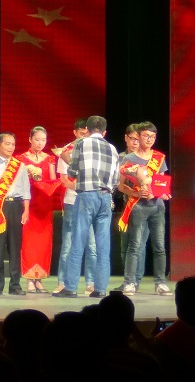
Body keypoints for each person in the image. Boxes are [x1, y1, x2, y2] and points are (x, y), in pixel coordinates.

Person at [55, 115, 119, 298]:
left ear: (88, 130)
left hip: (86, 196)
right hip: (106, 197)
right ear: (104, 131)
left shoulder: (81, 144)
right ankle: (100, 289)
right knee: (103, 245)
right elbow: (116, 179)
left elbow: (73, 170)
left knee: (78, 241)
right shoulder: (113, 148)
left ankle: (71, 287)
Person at [117, 121, 172, 296]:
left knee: (159, 246)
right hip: (138, 206)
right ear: (138, 137)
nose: (149, 139)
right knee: (134, 246)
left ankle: (160, 283)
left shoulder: (159, 158)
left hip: (157, 207)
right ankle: (129, 283)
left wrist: (163, 193)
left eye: (153, 137)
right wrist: (135, 193)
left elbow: (161, 182)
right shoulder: (129, 159)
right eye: (146, 136)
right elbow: (121, 186)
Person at [0, 132, 31, 296]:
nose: (11, 147)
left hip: (15, 206)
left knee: (15, 248)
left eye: (13, 144)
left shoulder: (20, 166)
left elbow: (26, 191)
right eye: (7, 144)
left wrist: (26, 210)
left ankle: (15, 285)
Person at [53, 119, 97, 295]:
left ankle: (90, 282)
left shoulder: (94, 150)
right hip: (72, 202)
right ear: (75, 132)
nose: (84, 136)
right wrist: (82, 187)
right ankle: (62, 282)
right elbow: (64, 180)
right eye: (81, 133)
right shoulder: (66, 151)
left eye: (87, 134)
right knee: (68, 244)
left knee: (91, 245)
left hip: (89, 202)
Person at [16, 126, 58, 294]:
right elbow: (17, 182)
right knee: (29, 241)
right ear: (30, 139)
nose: (40, 143)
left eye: (43, 140)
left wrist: (43, 183)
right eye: (37, 139)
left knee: (44, 242)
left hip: (44, 204)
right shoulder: (21, 159)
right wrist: (30, 178)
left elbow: (53, 181)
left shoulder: (49, 159)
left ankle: (39, 279)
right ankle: (29, 279)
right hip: (29, 203)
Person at [113, 124, 147, 291]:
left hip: (143, 206)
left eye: (138, 139)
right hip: (125, 206)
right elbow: (115, 182)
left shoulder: (147, 159)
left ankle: (136, 280)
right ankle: (128, 281)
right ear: (126, 138)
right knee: (125, 245)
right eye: (132, 139)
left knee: (139, 245)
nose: (135, 142)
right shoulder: (120, 158)